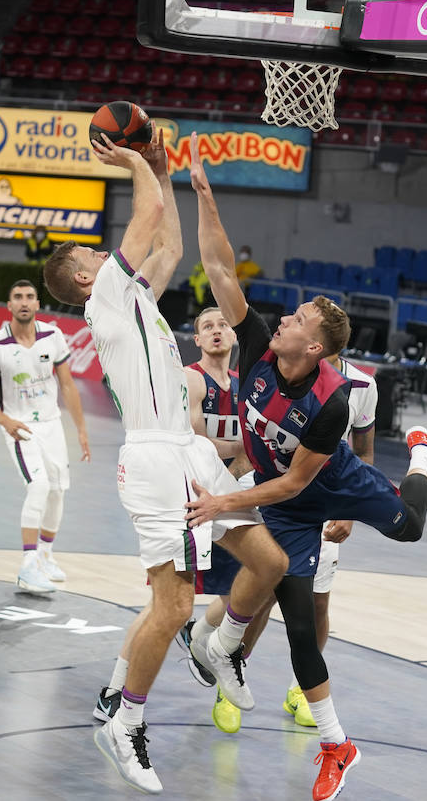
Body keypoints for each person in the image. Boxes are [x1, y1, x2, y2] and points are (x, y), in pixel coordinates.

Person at [183, 133, 427, 801]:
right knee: (298, 621)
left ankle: (422, 448)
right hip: (281, 505)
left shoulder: (333, 402)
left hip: (324, 487)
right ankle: (337, 745)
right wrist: (206, 199)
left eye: (296, 318)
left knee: (411, 528)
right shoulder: (255, 347)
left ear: (315, 345)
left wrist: (225, 502)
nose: (281, 318)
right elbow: (219, 267)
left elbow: (301, 482)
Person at [42, 129, 287, 795]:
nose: (110, 253)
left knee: (269, 563)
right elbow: (145, 220)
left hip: (190, 451)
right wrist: (136, 163)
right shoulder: (103, 298)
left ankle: (222, 646)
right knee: (172, 604)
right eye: (99, 253)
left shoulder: (136, 299)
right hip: (158, 457)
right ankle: (126, 721)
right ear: (87, 275)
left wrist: (165, 171)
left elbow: (171, 243)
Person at [188, 328, 379, 733]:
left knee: (317, 604)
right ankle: (227, 670)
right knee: (261, 591)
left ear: (321, 344)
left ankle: (300, 691)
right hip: (271, 493)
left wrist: (348, 511)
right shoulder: (277, 370)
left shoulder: (363, 385)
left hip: (320, 504)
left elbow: (364, 451)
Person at [92, 304, 247, 730]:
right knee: (164, 605)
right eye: (207, 327)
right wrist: (251, 451)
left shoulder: (244, 385)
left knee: (251, 588)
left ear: (234, 335)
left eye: (222, 325)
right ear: (195, 340)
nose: (217, 331)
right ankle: (115, 690)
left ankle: (205, 649)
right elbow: (198, 445)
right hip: (189, 501)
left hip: (228, 499)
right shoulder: (190, 379)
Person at [0, 279, 90, 594]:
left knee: (58, 491)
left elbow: (67, 385)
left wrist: (80, 429)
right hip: (20, 427)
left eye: (30, 297)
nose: (24, 302)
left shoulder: (53, 336)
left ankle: (45, 555)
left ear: (38, 304)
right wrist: (6, 421)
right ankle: (27, 566)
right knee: (38, 486)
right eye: (18, 297)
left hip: (52, 425)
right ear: (9, 305)